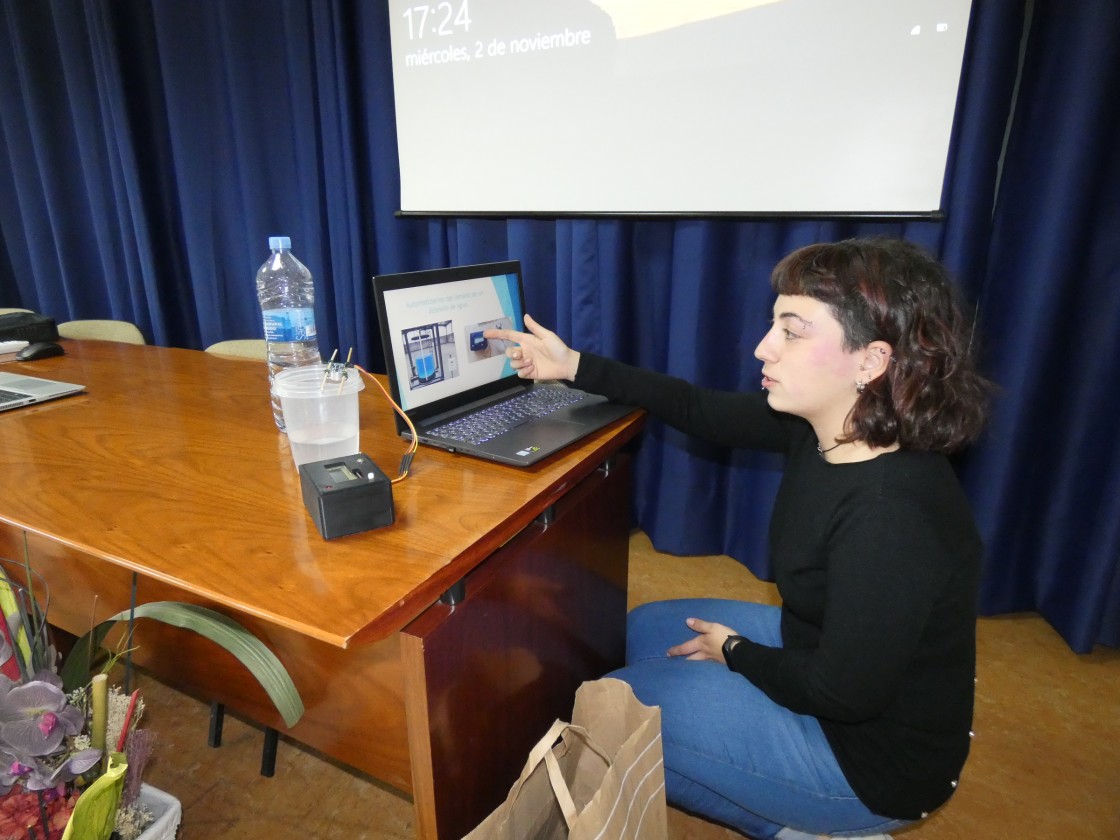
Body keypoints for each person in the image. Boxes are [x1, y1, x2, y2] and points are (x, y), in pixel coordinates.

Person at [484, 237, 991, 839]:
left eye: (793, 330)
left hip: (870, 761)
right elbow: (698, 408)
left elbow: (844, 693)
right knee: (646, 630)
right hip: (826, 657)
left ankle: (814, 825)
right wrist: (573, 367)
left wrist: (735, 653)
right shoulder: (830, 426)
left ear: (871, 361)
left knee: (620, 704)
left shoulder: (890, 514)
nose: (763, 347)